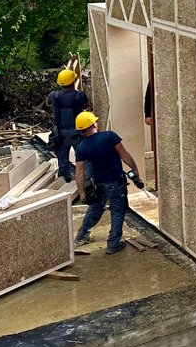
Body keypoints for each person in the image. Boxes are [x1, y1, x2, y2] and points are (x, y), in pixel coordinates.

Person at [72, 111, 143, 254]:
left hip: (97, 186)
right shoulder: (110, 136)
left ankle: (81, 236)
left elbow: (79, 172)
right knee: (118, 211)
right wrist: (135, 169)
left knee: (95, 209)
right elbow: (124, 155)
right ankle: (113, 244)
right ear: (93, 124)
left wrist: (81, 192)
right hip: (116, 184)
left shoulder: (82, 147)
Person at [49, 69, 88, 182]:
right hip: (78, 133)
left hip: (60, 134)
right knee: (83, 160)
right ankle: (86, 184)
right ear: (73, 81)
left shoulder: (53, 95)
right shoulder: (80, 95)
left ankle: (64, 185)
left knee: (63, 161)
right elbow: (86, 102)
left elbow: (48, 102)